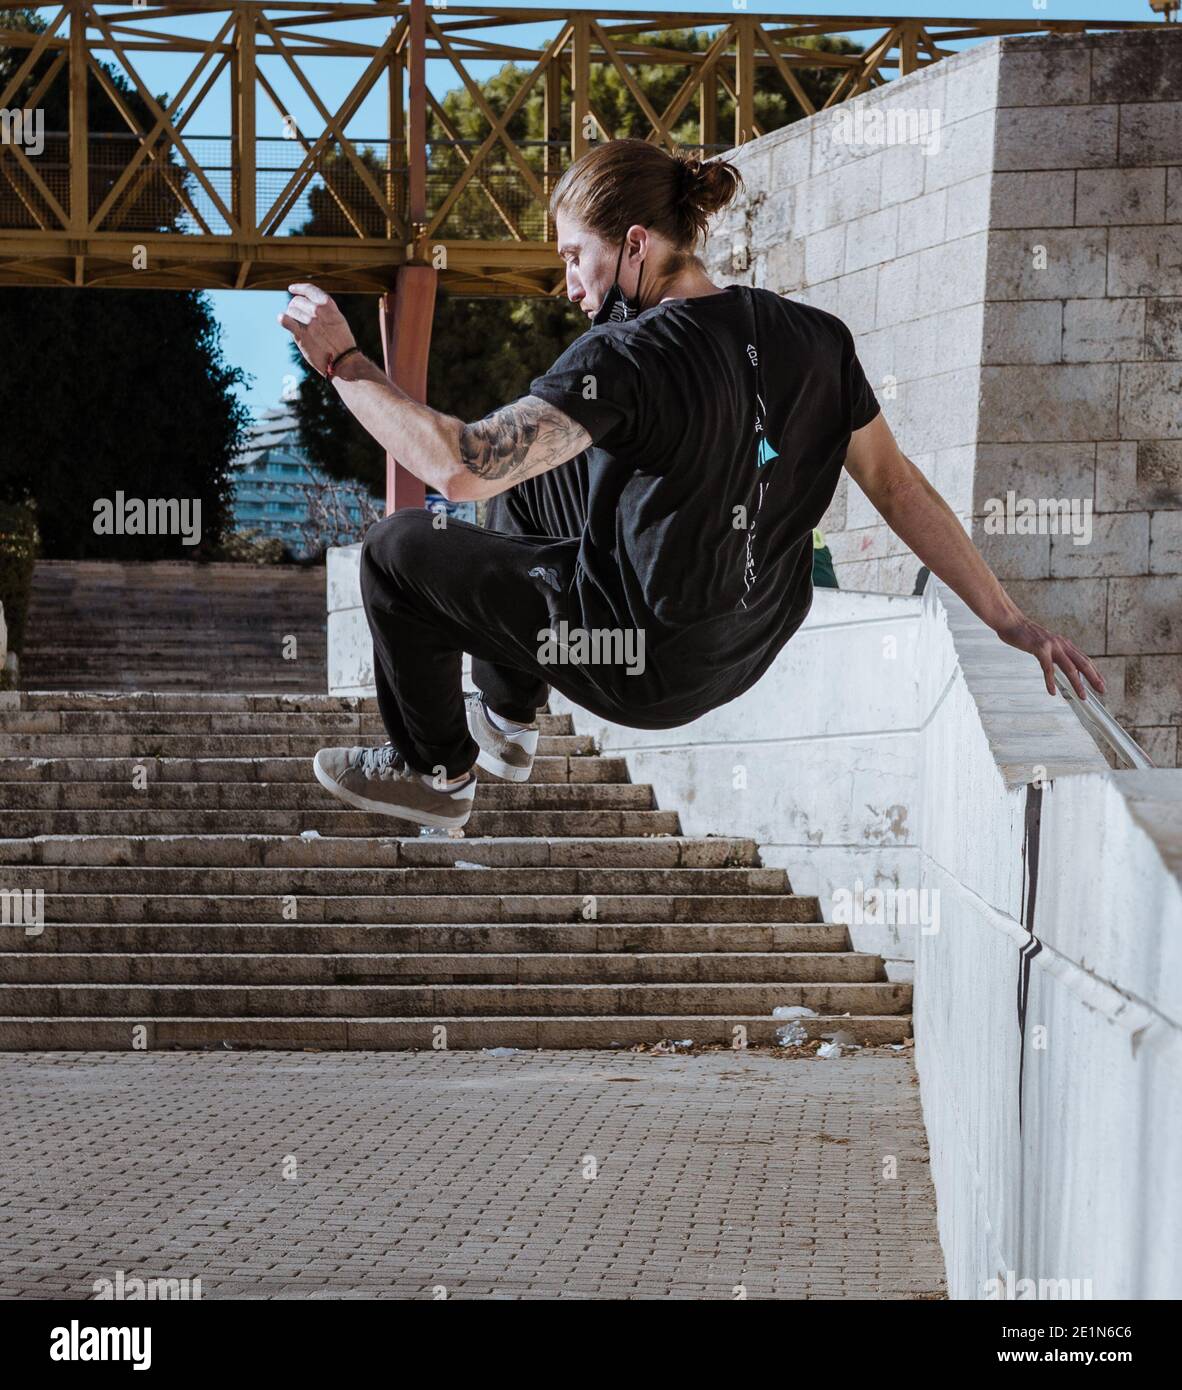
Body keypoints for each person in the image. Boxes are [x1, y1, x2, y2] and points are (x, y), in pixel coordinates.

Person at [278, 137, 1104, 831]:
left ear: (635, 244)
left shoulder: (624, 356)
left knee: (395, 551)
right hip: (748, 646)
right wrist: (1009, 619)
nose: (570, 287)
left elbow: (457, 461)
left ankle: (436, 770)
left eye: (577, 257)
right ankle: (506, 714)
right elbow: (894, 484)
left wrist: (345, 365)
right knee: (532, 488)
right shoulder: (817, 339)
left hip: (645, 662)